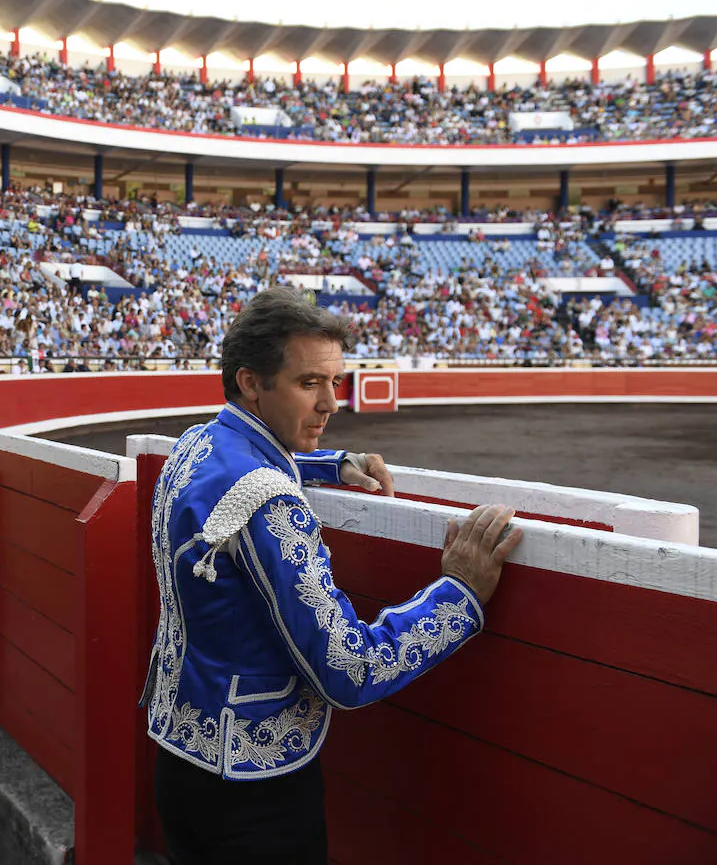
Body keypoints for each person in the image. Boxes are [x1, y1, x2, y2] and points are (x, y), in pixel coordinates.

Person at [145, 288, 522, 864]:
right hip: (255, 790)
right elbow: (349, 671)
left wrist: (332, 461)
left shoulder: (194, 445)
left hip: (179, 753)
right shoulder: (273, 505)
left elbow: (250, 460)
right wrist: (459, 594)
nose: (330, 404)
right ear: (251, 382)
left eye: (335, 383)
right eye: (308, 384)